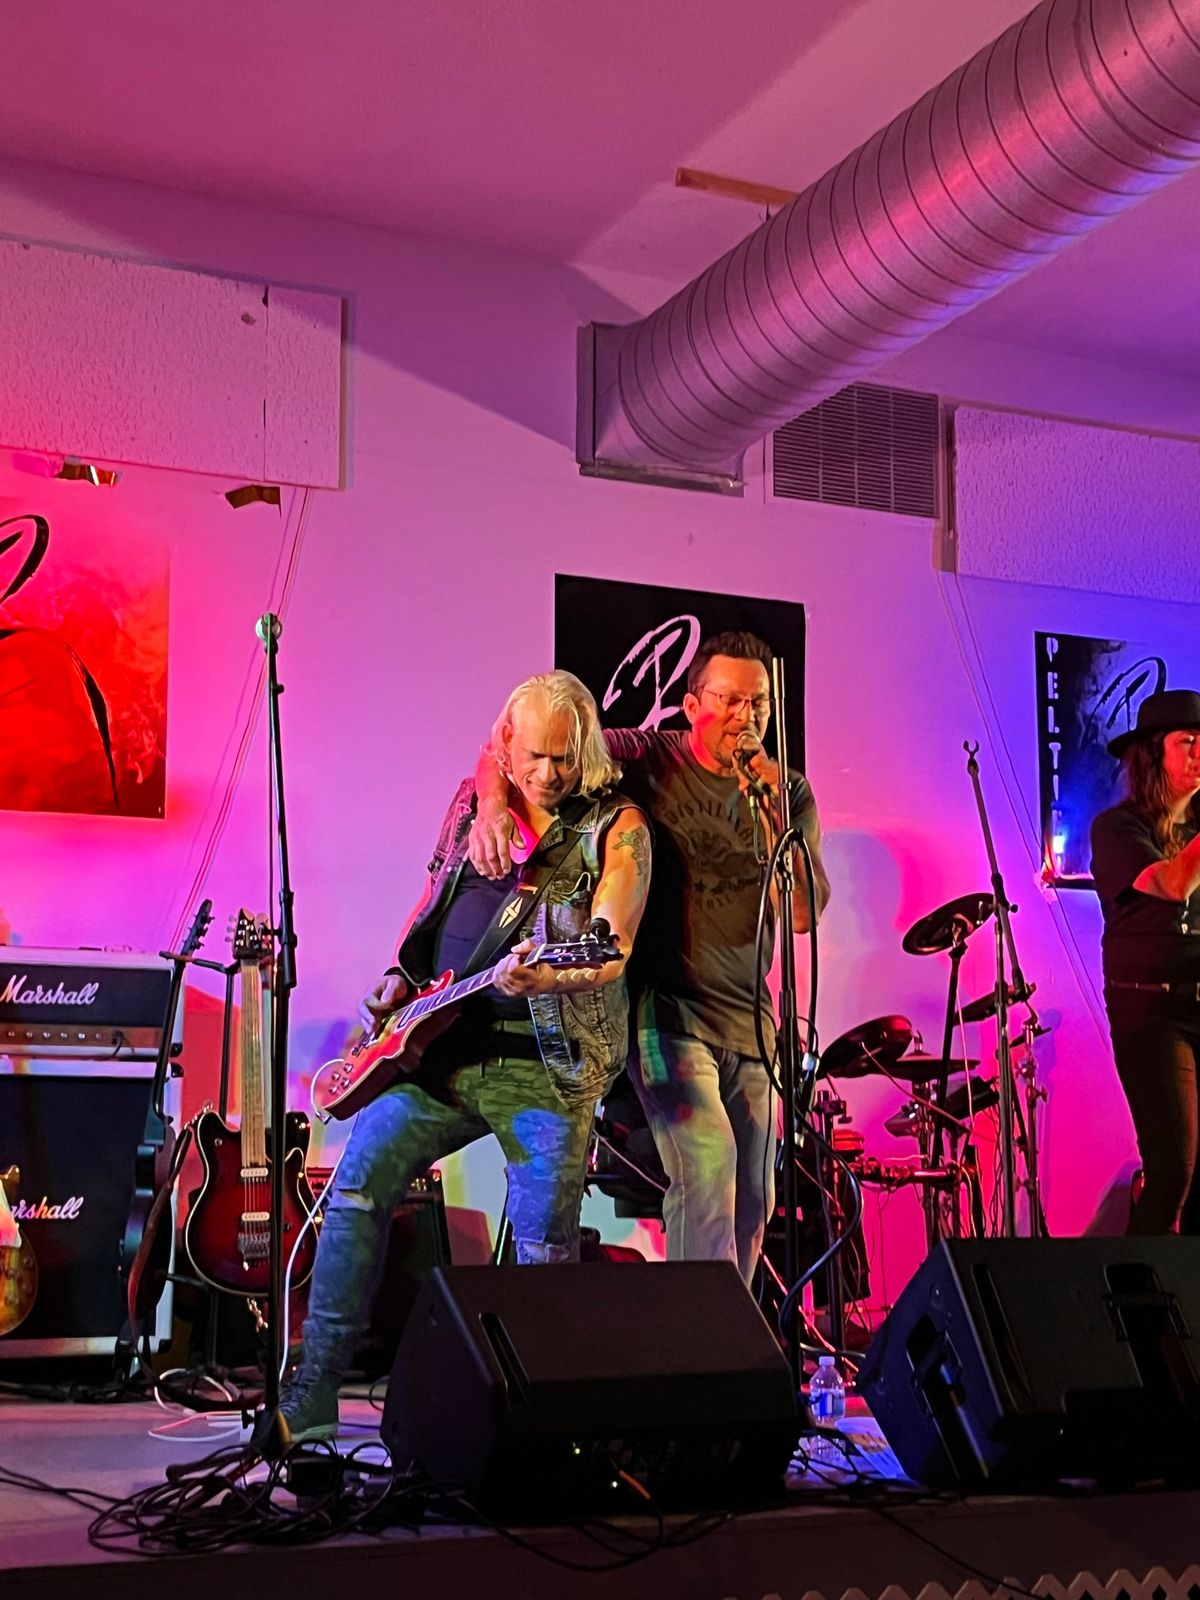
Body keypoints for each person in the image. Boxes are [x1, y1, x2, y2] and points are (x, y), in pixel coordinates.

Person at [279, 671, 651, 1442]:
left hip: (545, 1067)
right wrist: (398, 977)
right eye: (535, 755)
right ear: (506, 744)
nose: (548, 773)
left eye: (565, 757)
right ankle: (311, 1394)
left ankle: (527, 1424)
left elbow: (611, 947)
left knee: (543, 1245)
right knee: (354, 1188)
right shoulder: (472, 804)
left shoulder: (616, 827)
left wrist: (549, 975)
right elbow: (431, 904)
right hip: (437, 1052)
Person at [471, 630, 829, 1283]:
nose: (745, 716)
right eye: (729, 700)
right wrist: (491, 806)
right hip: (668, 1016)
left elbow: (802, 916)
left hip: (753, 1025)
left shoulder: (789, 793)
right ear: (691, 706)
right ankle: (696, 1340)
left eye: (758, 703)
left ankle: (724, 1331)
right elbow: (509, 747)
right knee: (708, 1168)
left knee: (756, 1200)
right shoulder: (649, 755)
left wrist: (773, 812)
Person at [1090, 688, 1200, 1235]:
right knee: (1173, 1171)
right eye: (1189, 742)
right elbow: (1173, 884)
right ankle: (1142, 1289)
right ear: (1154, 753)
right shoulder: (1117, 829)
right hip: (1152, 1014)